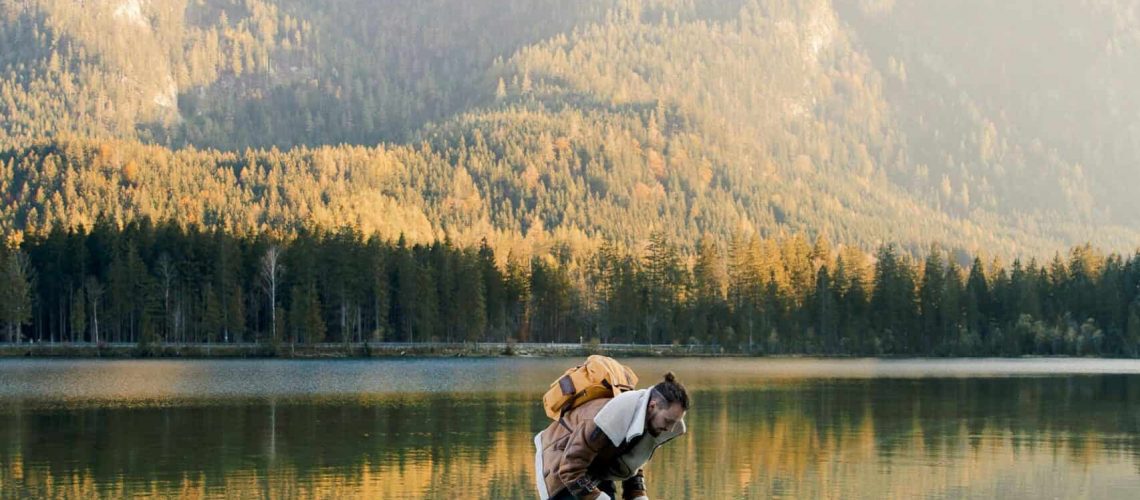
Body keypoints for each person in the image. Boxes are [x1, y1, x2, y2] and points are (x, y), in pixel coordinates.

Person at [534, 372, 690, 500]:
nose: (669, 429)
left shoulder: (644, 420)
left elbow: (630, 461)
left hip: (596, 469)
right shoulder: (604, 419)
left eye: (674, 423)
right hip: (560, 470)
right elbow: (570, 470)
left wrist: (637, 494)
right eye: (668, 421)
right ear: (652, 405)